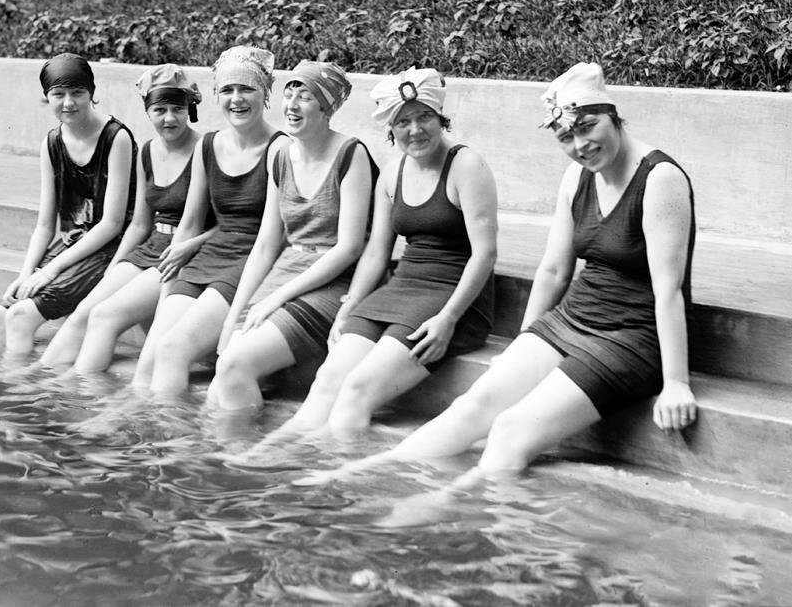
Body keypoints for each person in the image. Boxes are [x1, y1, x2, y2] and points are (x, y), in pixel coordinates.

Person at [301, 62, 697, 486]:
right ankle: (355, 474)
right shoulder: (576, 176)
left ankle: (436, 506)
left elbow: (669, 290)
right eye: (567, 136)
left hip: (631, 336)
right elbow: (553, 269)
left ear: (614, 117)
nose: (581, 144)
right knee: (471, 407)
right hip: (574, 319)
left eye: (588, 127)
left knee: (510, 431)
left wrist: (676, 382)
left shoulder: (660, 178)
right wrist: (526, 341)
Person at [254, 67, 498, 442]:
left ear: (440, 118)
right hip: (399, 290)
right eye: (403, 122)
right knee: (327, 381)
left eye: (424, 118)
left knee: (355, 394)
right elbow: (375, 255)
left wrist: (448, 319)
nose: (415, 130)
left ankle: (338, 487)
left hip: (452, 296)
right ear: (391, 128)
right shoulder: (393, 172)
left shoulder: (466, 165)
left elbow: (485, 254)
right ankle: (265, 458)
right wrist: (350, 306)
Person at [207, 60, 378, 413]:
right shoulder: (282, 155)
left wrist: (274, 300)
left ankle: (244, 461)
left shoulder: (351, 154)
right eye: (289, 95)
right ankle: (232, 458)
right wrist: (233, 317)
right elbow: (267, 244)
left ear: (327, 108)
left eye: (306, 97)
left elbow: (349, 248)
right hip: (287, 269)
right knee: (216, 387)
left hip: (333, 280)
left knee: (234, 367)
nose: (292, 105)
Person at [131, 46, 286, 395]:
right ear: (215, 95)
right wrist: (164, 304)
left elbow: (270, 239)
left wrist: (238, 315)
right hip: (208, 256)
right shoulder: (209, 145)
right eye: (227, 90)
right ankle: (143, 441)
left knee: (172, 350)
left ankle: (176, 446)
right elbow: (188, 226)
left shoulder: (280, 149)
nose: (237, 99)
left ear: (265, 93)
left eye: (247, 89)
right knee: (148, 358)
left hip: (250, 262)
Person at [38, 64, 207, 371]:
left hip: (184, 252)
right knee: (83, 313)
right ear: (148, 111)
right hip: (150, 246)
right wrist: (114, 266)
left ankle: (81, 394)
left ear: (189, 109)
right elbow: (141, 223)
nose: (169, 118)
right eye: (159, 109)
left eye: (177, 109)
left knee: (104, 316)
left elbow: (210, 221)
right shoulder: (147, 151)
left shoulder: (207, 149)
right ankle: (39, 386)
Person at [0, 53, 136, 358]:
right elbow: (44, 224)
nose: (68, 103)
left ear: (92, 94)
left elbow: (112, 223)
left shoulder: (115, 138)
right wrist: (26, 273)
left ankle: (21, 400)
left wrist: (50, 271)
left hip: (109, 247)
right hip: (69, 244)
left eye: (77, 93)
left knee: (19, 317)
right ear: (47, 98)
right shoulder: (52, 143)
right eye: (59, 95)